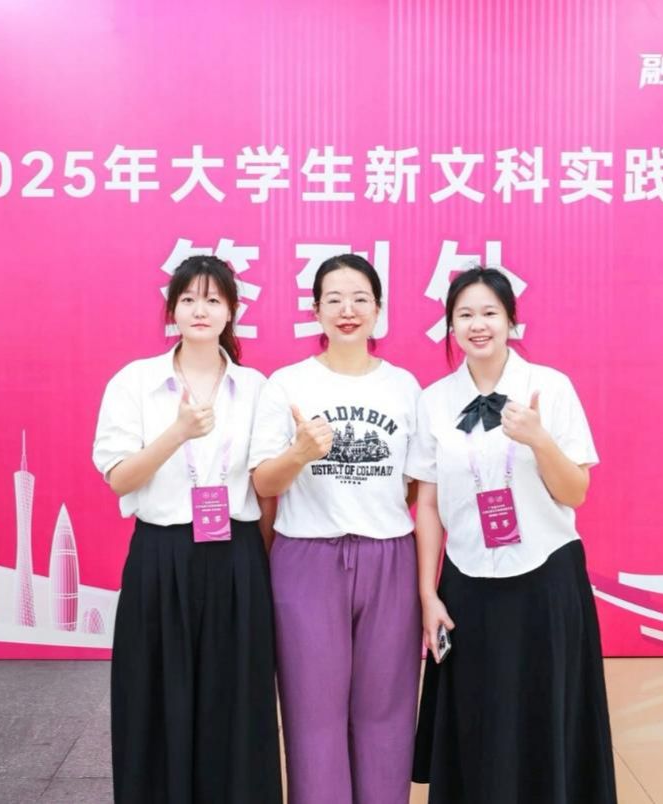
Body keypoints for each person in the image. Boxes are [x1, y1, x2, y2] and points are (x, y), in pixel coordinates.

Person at [410, 266, 617, 803]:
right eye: (465, 315)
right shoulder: (433, 401)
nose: (477, 325)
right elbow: (427, 504)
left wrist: (539, 439)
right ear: (450, 326)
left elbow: (575, 492)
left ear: (511, 321)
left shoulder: (550, 388)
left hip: (545, 576)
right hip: (467, 581)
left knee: (546, 711)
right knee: (477, 716)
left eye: (489, 313)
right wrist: (429, 593)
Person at [92, 255, 282, 804]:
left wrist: (258, 562)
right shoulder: (135, 382)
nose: (201, 310)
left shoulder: (255, 388)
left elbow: (266, 486)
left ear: (232, 312)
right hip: (162, 554)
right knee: (155, 697)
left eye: (213, 300)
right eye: (189, 299)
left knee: (236, 701)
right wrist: (177, 432)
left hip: (236, 555)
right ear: (171, 310)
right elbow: (119, 478)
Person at [249, 253, 422, 804]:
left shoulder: (405, 387)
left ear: (379, 309)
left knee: (387, 709)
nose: (348, 310)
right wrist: (300, 453)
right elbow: (263, 481)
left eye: (360, 299)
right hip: (306, 557)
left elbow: (414, 485)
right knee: (311, 711)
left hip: (389, 555)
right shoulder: (287, 384)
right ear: (316, 310)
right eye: (334, 299)